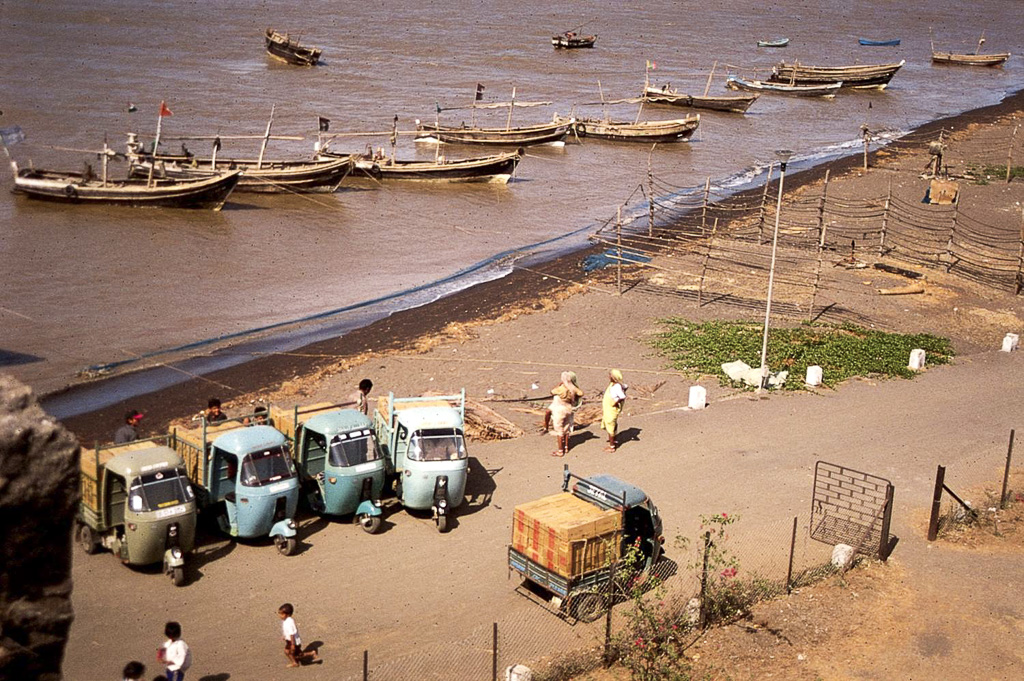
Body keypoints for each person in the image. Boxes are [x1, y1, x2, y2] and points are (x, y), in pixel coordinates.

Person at [548, 372, 584, 457]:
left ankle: (560, 451)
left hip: (560, 411)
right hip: (569, 409)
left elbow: (552, 392)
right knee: (567, 428)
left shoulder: (561, 389)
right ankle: (566, 447)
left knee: (559, 430)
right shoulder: (573, 388)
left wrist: (558, 385)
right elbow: (581, 393)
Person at [278, 603, 318, 668]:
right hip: (289, 641)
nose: (280, 616)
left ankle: (311, 654)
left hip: (294, 642)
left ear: (287, 614)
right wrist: (284, 636)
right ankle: (295, 662)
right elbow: (287, 631)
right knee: (288, 652)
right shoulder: (285, 620)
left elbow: (292, 634)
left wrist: (293, 645)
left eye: (282, 614)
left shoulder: (289, 622)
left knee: (297, 654)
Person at [600, 369, 628, 453]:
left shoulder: (616, 387)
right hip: (609, 409)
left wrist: (616, 402)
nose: (609, 376)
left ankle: (612, 446)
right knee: (613, 424)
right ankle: (615, 440)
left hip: (611, 410)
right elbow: (626, 386)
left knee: (610, 426)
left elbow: (622, 396)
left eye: (610, 375)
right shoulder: (616, 385)